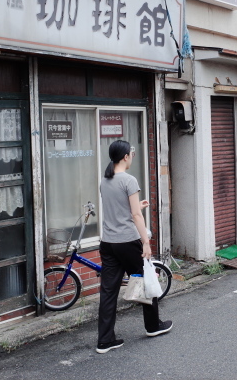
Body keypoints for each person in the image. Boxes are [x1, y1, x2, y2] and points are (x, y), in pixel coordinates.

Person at [96, 140, 172, 354]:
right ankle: (153, 326)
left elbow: (119, 210)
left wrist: (137, 205)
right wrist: (146, 242)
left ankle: (105, 340)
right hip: (128, 242)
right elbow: (135, 216)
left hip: (108, 243)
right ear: (125, 157)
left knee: (108, 291)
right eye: (132, 153)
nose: (133, 156)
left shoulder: (105, 181)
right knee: (147, 280)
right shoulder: (129, 180)